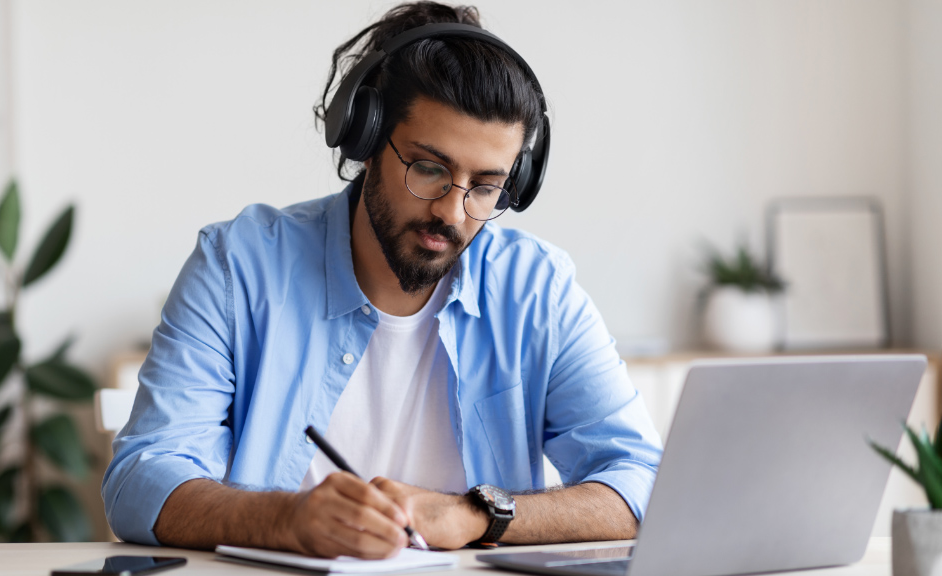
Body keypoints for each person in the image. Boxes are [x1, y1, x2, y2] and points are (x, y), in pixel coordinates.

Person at [102, 1, 662, 560]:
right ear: (365, 141)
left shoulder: (538, 290)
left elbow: (642, 479)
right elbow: (140, 480)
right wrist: (286, 520)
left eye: (486, 186)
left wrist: (474, 513)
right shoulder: (238, 266)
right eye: (429, 168)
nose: (453, 211)